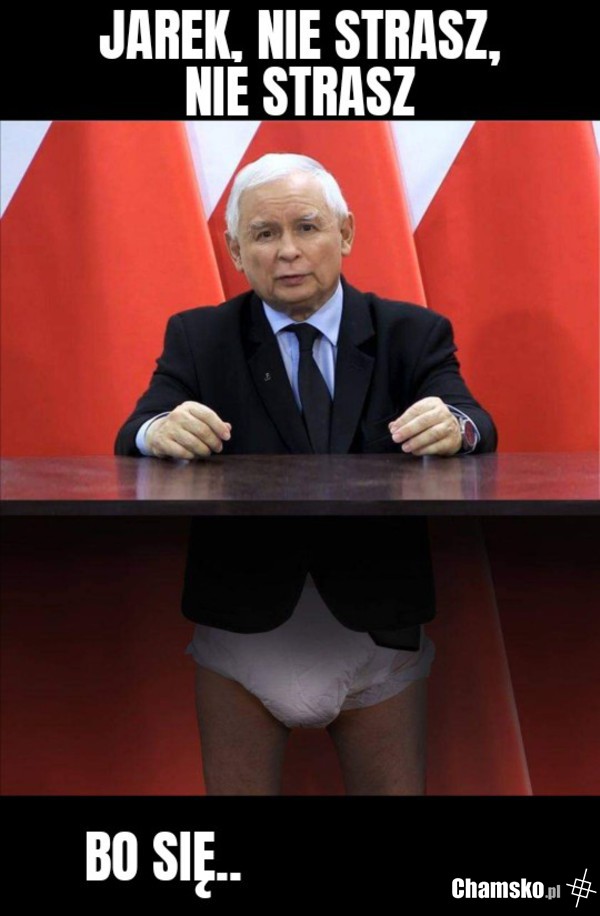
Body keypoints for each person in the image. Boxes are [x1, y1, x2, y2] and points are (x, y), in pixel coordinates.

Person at [115, 153, 497, 796]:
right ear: (236, 251)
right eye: (265, 234)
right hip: (241, 622)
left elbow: (475, 420)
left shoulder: (411, 332)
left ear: (345, 233)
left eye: (308, 227)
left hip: (378, 620)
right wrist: (160, 431)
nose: (288, 251)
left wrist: (454, 426)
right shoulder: (200, 337)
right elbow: (136, 429)